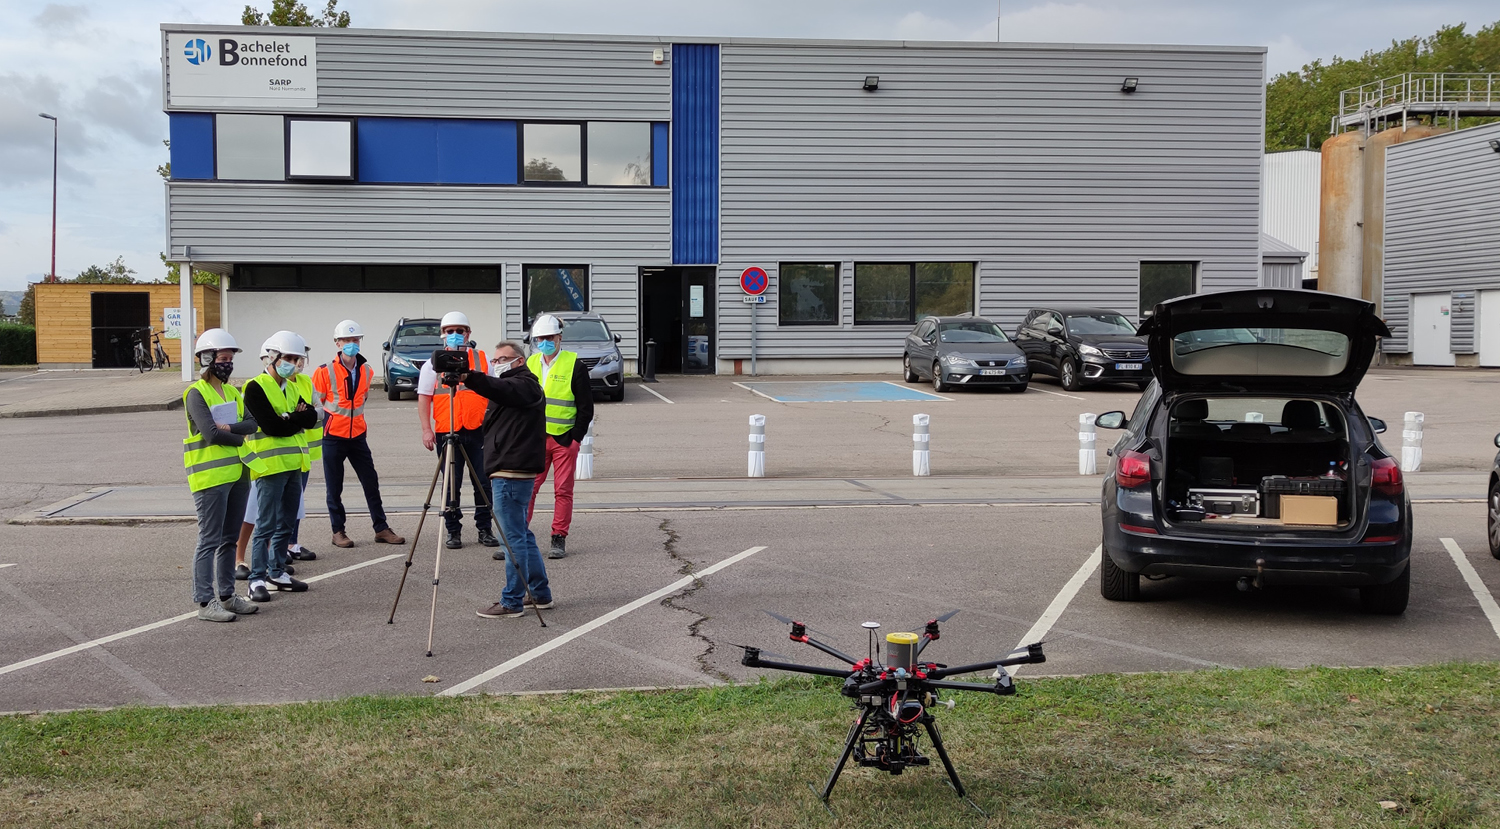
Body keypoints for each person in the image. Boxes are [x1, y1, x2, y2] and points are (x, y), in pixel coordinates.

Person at [464, 340, 552, 618]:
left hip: (511, 471)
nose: (497, 362)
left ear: (520, 361)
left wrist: (471, 378)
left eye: (503, 358)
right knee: (521, 535)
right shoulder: (515, 387)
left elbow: (501, 388)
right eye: (495, 358)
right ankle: (539, 593)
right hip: (509, 468)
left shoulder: (525, 385)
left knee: (511, 537)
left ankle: (512, 600)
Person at [182, 328, 260, 622]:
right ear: (206, 358)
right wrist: (235, 434)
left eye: (230, 359)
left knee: (229, 538)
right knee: (209, 539)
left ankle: (227, 596)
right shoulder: (195, 394)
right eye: (223, 358)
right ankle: (205, 601)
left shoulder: (232, 392)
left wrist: (232, 429)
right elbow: (211, 434)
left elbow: (252, 424)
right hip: (210, 478)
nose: (228, 364)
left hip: (238, 473)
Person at [313, 319, 405, 548]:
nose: (352, 344)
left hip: (357, 436)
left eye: (355, 340)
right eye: (347, 340)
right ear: (337, 343)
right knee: (335, 487)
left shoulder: (366, 370)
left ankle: (381, 528)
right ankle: (338, 531)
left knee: (370, 481)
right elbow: (317, 405)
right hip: (333, 436)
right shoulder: (324, 372)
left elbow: (361, 401)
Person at [241, 330, 315, 602]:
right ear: (272, 357)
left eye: (297, 359)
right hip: (270, 466)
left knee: (286, 521)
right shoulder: (255, 386)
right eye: (289, 358)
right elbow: (269, 425)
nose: (294, 363)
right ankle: (256, 578)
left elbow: (311, 417)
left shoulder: (292, 386)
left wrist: (288, 418)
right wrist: (291, 418)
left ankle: (276, 572)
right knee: (265, 524)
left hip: (294, 463)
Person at [417, 311, 497, 550]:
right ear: (443, 334)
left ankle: (484, 528)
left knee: (483, 482)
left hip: (478, 429)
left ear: (468, 333)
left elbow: (495, 391)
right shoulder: (432, 364)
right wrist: (426, 430)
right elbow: (424, 398)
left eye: (459, 331)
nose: (454, 335)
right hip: (446, 430)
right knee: (451, 483)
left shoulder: (482, 359)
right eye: (449, 331)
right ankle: (453, 531)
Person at [525, 314, 595, 559]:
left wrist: (576, 438)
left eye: (549, 338)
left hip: (565, 439)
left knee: (563, 491)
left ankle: (559, 537)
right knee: (528, 488)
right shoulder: (531, 363)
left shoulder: (574, 364)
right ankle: (519, 535)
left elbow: (586, 407)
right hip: (536, 439)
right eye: (541, 338)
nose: (545, 342)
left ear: (559, 338)